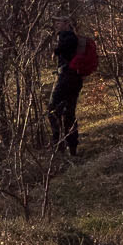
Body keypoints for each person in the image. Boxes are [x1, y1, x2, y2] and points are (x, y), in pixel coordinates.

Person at [49, 25, 99, 156]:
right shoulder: (77, 39)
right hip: (76, 79)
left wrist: (56, 50)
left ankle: (59, 147)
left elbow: (61, 51)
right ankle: (72, 148)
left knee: (53, 110)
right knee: (69, 112)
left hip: (66, 77)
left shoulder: (66, 37)